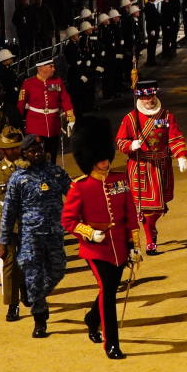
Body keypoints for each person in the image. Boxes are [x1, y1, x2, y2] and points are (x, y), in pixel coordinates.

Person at [61, 116, 141, 359]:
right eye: (100, 160)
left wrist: (134, 244)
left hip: (119, 246)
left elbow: (130, 215)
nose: (105, 163)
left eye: (106, 158)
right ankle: (112, 344)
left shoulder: (120, 181)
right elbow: (68, 220)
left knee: (110, 289)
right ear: (90, 160)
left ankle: (91, 317)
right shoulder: (80, 187)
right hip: (95, 250)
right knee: (107, 291)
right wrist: (89, 233)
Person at [0, 134, 71, 338]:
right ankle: (40, 319)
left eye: (40, 149)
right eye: (33, 151)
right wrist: (4, 242)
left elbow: (74, 195)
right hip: (30, 236)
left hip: (55, 232)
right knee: (34, 275)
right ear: (25, 153)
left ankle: (35, 294)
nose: (38, 153)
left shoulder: (55, 172)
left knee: (58, 270)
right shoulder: (18, 179)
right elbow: (9, 212)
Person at [115, 80, 187, 255]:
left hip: (161, 166)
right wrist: (131, 145)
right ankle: (150, 240)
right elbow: (120, 141)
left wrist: (181, 155)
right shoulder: (130, 118)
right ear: (140, 98)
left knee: (158, 206)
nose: (150, 100)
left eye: (152, 96)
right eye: (146, 97)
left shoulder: (167, 116)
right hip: (140, 165)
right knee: (146, 207)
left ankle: (152, 227)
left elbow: (175, 138)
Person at [0, 128, 26, 321]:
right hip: (5, 221)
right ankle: (13, 304)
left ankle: (27, 291)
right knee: (9, 262)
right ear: (3, 150)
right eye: (12, 147)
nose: (17, 150)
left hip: (29, 220)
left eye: (18, 146)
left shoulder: (30, 167)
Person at [17, 59, 75, 164]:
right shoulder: (28, 83)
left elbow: (65, 99)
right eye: (51, 66)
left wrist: (70, 118)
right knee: (36, 153)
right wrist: (17, 123)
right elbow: (21, 104)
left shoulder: (58, 81)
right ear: (41, 68)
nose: (54, 69)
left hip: (53, 124)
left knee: (52, 153)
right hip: (35, 125)